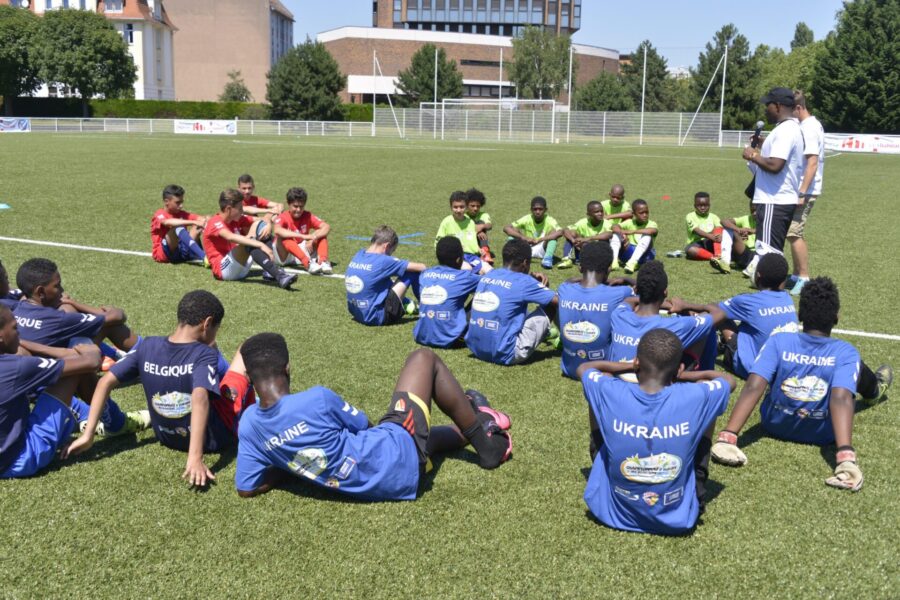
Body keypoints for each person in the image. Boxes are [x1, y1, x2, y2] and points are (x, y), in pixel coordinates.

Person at [234, 336, 513, 499]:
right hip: (396, 455)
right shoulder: (315, 398)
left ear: (249, 378)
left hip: (385, 471)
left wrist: (290, 461)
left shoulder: (249, 424)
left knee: (421, 438)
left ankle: (481, 420)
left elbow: (247, 488)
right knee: (423, 359)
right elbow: (365, 426)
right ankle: (487, 446)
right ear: (287, 368)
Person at [711, 277, 893, 492]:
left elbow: (753, 386)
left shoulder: (778, 341)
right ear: (836, 318)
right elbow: (841, 398)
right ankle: (874, 391)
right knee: (853, 364)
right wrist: (846, 457)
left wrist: (727, 437)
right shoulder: (845, 351)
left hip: (773, 424)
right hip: (822, 434)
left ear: (800, 316)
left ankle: (873, 390)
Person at [65, 290, 254, 487]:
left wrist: (88, 436)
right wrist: (195, 458)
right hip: (214, 439)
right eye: (216, 327)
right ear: (207, 323)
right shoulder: (204, 353)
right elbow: (199, 398)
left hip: (165, 436)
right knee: (248, 348)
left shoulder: (147, 346)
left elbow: (104, 383)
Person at [577, 329, 737, 535]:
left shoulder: (612, 390)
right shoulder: (693, 395)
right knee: (709, 397)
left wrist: (629, 365)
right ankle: (698, 479)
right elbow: (728, 381)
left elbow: (585, 368)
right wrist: (683, 374)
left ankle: (599, 456)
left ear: (637, 362)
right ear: (678, 368)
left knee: (597, 390)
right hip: (677, 518)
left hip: (610, 512)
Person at [10, 258, 150, 436]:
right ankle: (117, 420)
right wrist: (74, 303)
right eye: (57, 286)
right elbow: (117, 316)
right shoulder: (58, 319)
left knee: (81, 339)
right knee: (87, 351)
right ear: (40, 292)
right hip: (52, 385)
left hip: (31, 382)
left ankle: (138, 359)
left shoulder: (15, 310)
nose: (61, 291)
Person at [0, 304, 104, 479]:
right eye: (15, 328)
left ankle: (80, 415)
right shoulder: (15, 368)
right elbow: (90, 361)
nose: (19, 333)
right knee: (72, 370)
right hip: (19, 459)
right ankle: (114, 422)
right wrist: (87, 347)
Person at [608, 261, 717, 374]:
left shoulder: (619, 315)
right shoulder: (674, 325)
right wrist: (685, 306)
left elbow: (629, 300)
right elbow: (718, 312)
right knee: (705, 327)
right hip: (654, 386)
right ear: (665, 293)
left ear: (636, 290)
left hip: (617, 383)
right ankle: (699, 376)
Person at [741, 87, 805, 279]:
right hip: (775, 199)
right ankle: (773, 289)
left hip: (773, 200)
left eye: (767, 105)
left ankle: (772, 293)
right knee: (770, 250)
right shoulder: (786, 128)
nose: (765, 109)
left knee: (768, 253)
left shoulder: (786, 130)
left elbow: (775, 164)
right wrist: (762, 145)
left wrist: (752, 155)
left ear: (777, 106)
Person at [465, 239, 559, 366]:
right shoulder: (524, 281)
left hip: (475, 348)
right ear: (525, 263)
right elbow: (559, 301)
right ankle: (569, 340)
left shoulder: (489, 275)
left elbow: (509, 287)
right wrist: (544, 288)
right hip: (506, 353)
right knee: (552, 304)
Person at [557, 242, 634, 379]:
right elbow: (645, 288)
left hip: (569, 369)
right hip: (601, 370)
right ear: (609, 269)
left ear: (580, 268)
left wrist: (584, 277)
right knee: (637, 308)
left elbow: (569, 280)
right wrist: (626, 278)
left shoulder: (564, 289)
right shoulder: (619, 293)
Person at [201, 189, 297, 289]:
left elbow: (261, 221)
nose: (242, 210)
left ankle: (268, 272)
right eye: (240, 208)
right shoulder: (215, 222)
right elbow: (231, 237)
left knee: (260, 226)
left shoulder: (235, 219)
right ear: (229, 209)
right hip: (224, 271)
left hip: (241, 268)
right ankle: (279, 276)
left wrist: (268, 223)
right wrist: (260, 244)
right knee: (247, 242)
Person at [786, 90, 825, 296]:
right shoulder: (809, 125)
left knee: (794, 233)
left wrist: (802, 192)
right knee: (791, 232)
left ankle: (804, 277)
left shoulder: (809, 127)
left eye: (791, 110)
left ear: (798, 108)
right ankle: (795, 275)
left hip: (806, 190)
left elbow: (812, 162)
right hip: (803, 189)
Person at [345, 226, 426, 326]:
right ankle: (426, 308)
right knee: (412, 271)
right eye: (392, 251)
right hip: (377, 317)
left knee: (383, 280)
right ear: (387, 246)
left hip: (357, 313)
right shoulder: (384, 261)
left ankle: (408, 304)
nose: (391, 255)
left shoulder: (359, 254)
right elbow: (422, 267)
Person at [413, 237, 482, 348]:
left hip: (422, 335)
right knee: (484, 293)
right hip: (451, 338)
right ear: (459, 259)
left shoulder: (425, 274)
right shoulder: (464, 277)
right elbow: (491, 284)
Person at [272, 187, 333, 275]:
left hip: (299, 250)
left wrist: (313, 238)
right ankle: (307, 264)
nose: (299, 210)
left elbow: (326, 227)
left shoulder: (307, 215)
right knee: (285, 238)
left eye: (301, 206)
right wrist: (303, 236)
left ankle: (323, 262)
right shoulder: (283, 216)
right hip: (283, 255)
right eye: (295, 206)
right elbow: (277, 231)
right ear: (288, 204)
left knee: (321, 235)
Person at [435, 190, 491, 274]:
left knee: (489, 269)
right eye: (455, 207)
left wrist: (479, 250)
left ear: (466, 207)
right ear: (451, 207)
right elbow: (438, 242)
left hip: (471, 256)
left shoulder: (470, 222)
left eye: (461, 207)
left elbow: (472, 241)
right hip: (455, 257)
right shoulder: (446, 222)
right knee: (467, 269)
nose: (458, 210)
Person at [150, 184, 207, 264]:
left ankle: (217, 253)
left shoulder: (181, 213)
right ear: (166, 201)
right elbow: (167, 222)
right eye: (177, 202)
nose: (181, 206)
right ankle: (204, 256)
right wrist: (193, 222)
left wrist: (205, 221)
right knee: (177, 227)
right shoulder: (159, 214)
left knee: (201, 224)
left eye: (182, 202)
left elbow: (202, 219)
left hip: (181, 253)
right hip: (165, 254)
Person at [503, 196, 564, 269]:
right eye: (535, 209)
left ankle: (547, 259)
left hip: (543, 248)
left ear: (545, 210)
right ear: (531, 210)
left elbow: (561, 232)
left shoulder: (550, 220)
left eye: (540, 209)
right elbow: (506, 228)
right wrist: (524, 238)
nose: (537, 212)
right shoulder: (527, 218)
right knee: (513, 234)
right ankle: (512, 257)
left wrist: (540, 239)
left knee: (553, 234)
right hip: (527, 248)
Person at [558, 201, 614, 269]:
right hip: (584, 249)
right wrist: (573, 240)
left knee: (604, 240)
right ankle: (567, 259)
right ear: (588, 214)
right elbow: (565, 230)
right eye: (597, 212)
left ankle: (598, 262)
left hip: (598, 253)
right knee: (572, 234)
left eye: (601, 211)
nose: (600, 213)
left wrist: (588, 239)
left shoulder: (606, 223)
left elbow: (609, 234)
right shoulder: (583, 222)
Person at [609, 199, 658, 274]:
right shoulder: (629, 222)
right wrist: (622, 234)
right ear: (634, 214)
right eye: (641, 213)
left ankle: (632, 262)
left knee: (647, 235)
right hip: (627, 254)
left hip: (646, 256)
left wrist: (632, 231)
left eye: (646, 212)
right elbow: (615, 226)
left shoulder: (652, 223)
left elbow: (652, 231)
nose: (645, 215)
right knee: (615, 234)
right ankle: (614, 261)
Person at [710, 200, 757, 275]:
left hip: (758, 256)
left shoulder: (768, 221)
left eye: (757, 210)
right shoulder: (746, 218)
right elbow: (723, 221)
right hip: (743, 254)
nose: (754, 213)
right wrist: (738, 230)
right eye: (752, 210)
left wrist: (751, 231)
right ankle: (725, 262)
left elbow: (771, 230)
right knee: (728, 228)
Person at [684, 192, 722, 261]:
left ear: (709, 205)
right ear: (695, 206)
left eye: (705, 205)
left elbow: (719, 228)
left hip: (711, 242)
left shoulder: (714, 217)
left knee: (718, 231)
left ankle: (718, 254)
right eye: (699, 205)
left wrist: (718, 235)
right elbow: (696, 230)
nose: (702, 207)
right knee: (690, 250)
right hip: (697, 243)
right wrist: (711, 236)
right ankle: (714, 257)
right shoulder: (690, 216)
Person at [466, 188, 493, 265]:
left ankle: (485, 252)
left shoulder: (483, 214)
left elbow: (489, 225)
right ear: (467, 205)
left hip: (479, 240)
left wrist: (481, 228)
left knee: (481, 222)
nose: (475, 208)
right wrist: (477, 231)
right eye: (472, 206)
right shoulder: (463, 215)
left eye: (478, 206)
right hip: (466, 240)